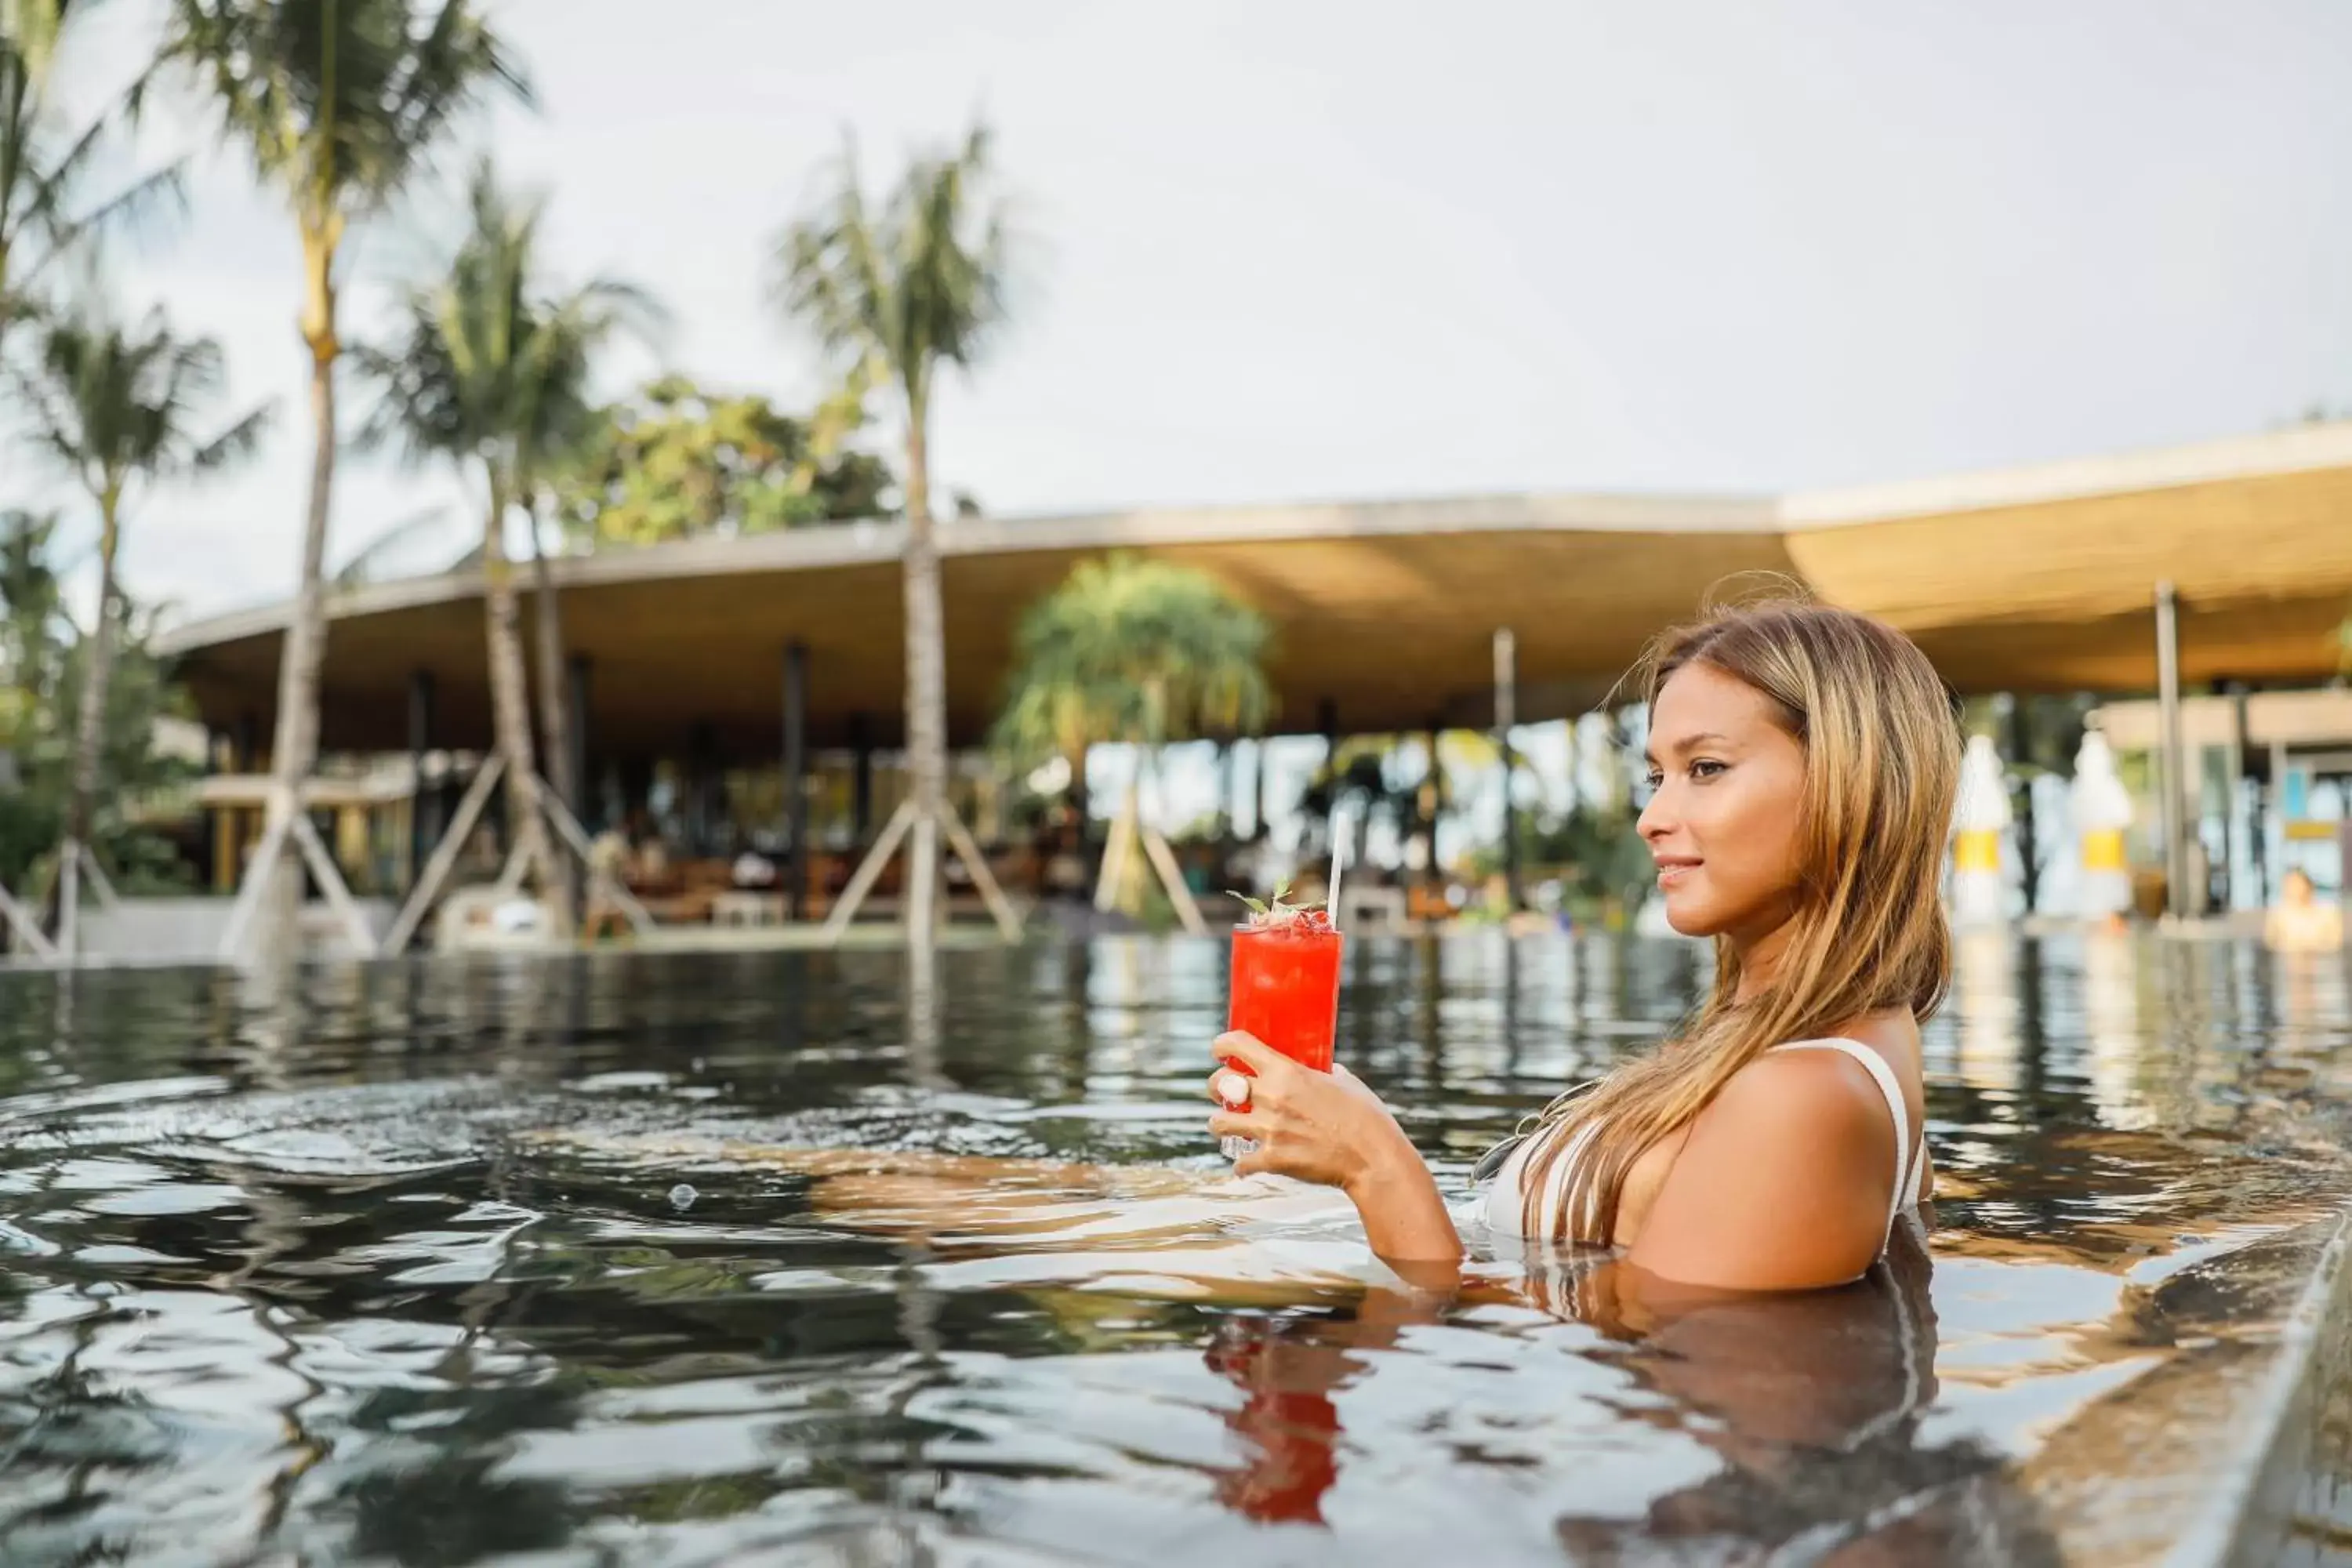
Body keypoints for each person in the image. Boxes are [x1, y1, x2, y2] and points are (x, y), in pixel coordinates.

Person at [1207, 600, 1959, 1294]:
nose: (1653, 818)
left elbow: (1635, 1393)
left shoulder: (1804, 1100)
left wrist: (1373, 1162)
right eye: (1658, 775)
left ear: (1849, 784)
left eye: (1706, 769)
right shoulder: (1787, 1049)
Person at [2265, 867, 2345, 952]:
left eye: (2296, 883)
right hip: (2288, 959)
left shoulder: (2328, 911)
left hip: (2322, 959)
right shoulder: (2278, 913)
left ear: (2308, 885)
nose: (2292, 889)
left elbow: (2336, 943)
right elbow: (2270, 943)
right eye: (2288, 885)